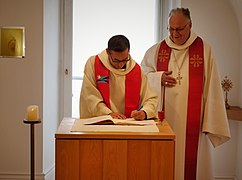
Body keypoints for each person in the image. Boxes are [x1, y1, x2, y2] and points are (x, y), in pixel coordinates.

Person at [141, 7, 231, 180]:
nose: (174, 34)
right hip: (164, 119)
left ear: (190, 25)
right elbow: (142, 77)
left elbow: (212, 86)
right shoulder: (156, 50)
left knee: (193, 166)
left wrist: (210, 121)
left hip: (193, 125)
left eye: (179, 29)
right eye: (171, 29)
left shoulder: (204, 50)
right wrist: (157, 78)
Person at [80, 35, 158, 120]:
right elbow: (90, 96)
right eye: (116, 60)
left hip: (128, 123)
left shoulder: (136, 70)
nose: (120, 64)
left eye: (125, 59)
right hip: (102, 120)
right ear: (107, 52)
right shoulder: (94, 64)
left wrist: (144, 112)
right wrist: (108, 113)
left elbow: (150, 98)